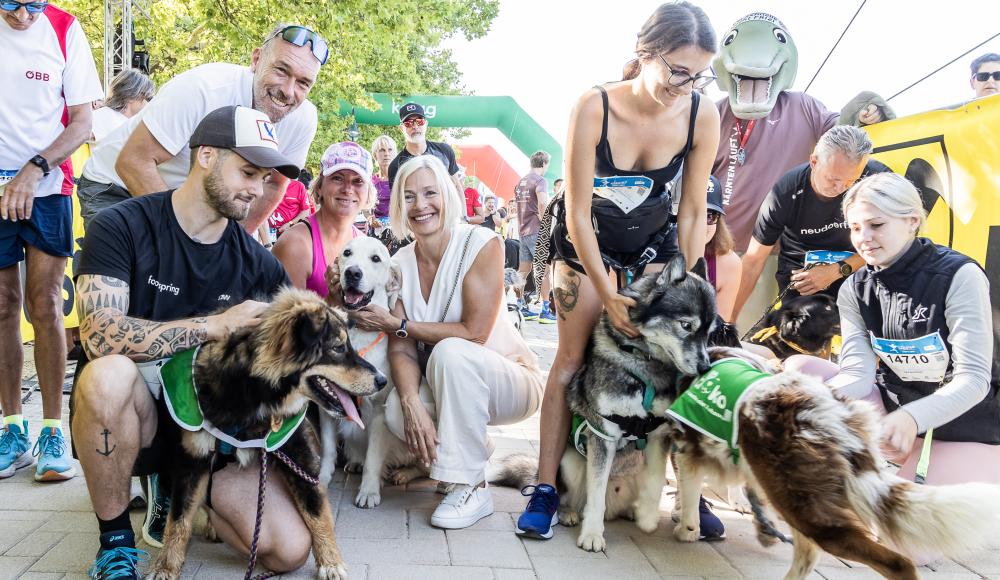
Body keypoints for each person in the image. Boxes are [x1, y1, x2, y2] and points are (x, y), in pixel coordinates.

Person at [70, 106, 308, 578]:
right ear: (204, 156)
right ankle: (115, 540)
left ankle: (187, 492)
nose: (257, 190)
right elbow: (99, 336)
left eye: (264, 178)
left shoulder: (259, 265)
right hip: (137, 417)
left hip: (213, 434)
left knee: (288, 552)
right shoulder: (122, 225)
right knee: (106, 375)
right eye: (247, 172)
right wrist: (211, 326)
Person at [517, 2, 722, 541]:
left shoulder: (702, 113)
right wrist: (607, 295)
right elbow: (578, 211)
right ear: (644, 52)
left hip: (653, 245)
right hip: (585, 243)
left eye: (697, 74)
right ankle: (543, 486)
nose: (685, 85)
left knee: (667, 362)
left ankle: (685, 496)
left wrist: (681, 281)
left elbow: (695, 210)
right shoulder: (594, 106)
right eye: (676, 70)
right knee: (570, 358)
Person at [348, 155, 543, 530]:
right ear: (399, 206)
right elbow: (401, 346)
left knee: (452, 352)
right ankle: (468, 455)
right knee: (393, 410)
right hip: (448, 383)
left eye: (429, 193)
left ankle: (471, 486)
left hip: (510, 382)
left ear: (447, 196)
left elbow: (474, 333)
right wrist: (409, 403)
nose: (420, 205)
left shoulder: (481, 243)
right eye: (408, 197)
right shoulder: (400, 262)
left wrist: (399, 323)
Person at [785, 172, 1000, 497]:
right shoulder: (855, 288)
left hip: (965, 417)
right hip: (897, 404)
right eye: (855, 228)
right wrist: (808, 402)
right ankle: (890, 449)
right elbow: (857, 372)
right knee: (801, 374)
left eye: (876, 225)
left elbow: (974, 379)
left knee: (905, 518)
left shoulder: (959, 275)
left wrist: (912, 418)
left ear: (912, 221)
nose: (863, 238)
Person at [77, 23, 324, 231]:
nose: (288, 91)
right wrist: (183, 240)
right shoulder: (203, 88)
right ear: (256, 59)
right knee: (130, 279)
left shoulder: (303, 118)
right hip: (116, 185)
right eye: (281, 70)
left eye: (304, 83)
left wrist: (232, 246)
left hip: (188, 203)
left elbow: (273, 184)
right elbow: (133, 162)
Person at [0, 0, 103, 483]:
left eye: (32, 4)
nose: (22, 15)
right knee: (2, 308)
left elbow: (82, 122)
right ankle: (12, 428)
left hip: (46, 189)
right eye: (10, 3)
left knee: (44, 306)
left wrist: (32, 170)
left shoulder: (64, 28)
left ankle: (51, 430)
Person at [732, 125, 891, 322]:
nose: (841, 188)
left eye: (851, 181)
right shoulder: (785, 192)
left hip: (859, 262)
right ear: (814, 162)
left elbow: (895, 243)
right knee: (803, 332)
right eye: (833, 179)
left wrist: (837, 269)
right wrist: (726, 322)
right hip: (802, 270)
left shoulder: (878, 180)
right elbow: (753, 260)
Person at [272, 142, 372, 296]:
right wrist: (333, 299)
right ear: (320, 186)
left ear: (368, 193)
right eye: (338, 178)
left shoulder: (366, 245)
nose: (347, 189)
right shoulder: (295, 245)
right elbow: (288, 318)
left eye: (357, 181)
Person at [514, 151, 555, 323]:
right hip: (537, 230)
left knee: (523, 271)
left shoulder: (521, 181)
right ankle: (545, 311)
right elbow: (543, 202)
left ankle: (521, 305)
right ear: (544, 163)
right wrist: (547, 222)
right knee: (544, 272)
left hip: (523, 230)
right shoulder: (540, 181)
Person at [387, 102, 461, 192]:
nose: (415, 126)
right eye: (408, 123)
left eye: (419, 121)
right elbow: (397, 202)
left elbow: (457, 186)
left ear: (426, 124)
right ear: (402, 128)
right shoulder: (395, 166)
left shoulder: (444, 151)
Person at [703, 176, 741, 322]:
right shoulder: (658, 253)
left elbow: (720, 328)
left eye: (709, 216)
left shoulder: (728, 263)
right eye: (692, 213)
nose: (700, 224)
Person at [90, 69, 155, 144]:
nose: (149, 103)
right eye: (148, 98)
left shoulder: (131, 125)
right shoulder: (103, 116)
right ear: (132, 96)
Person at [371, 134, 397, 228]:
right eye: (382, 150)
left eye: (390, 149)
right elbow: (365, 207)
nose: (386, 153)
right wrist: (370, 218)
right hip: (378, 231)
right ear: (375, 155)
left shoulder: (403, 178)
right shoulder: (370, 182)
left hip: (401, 229)